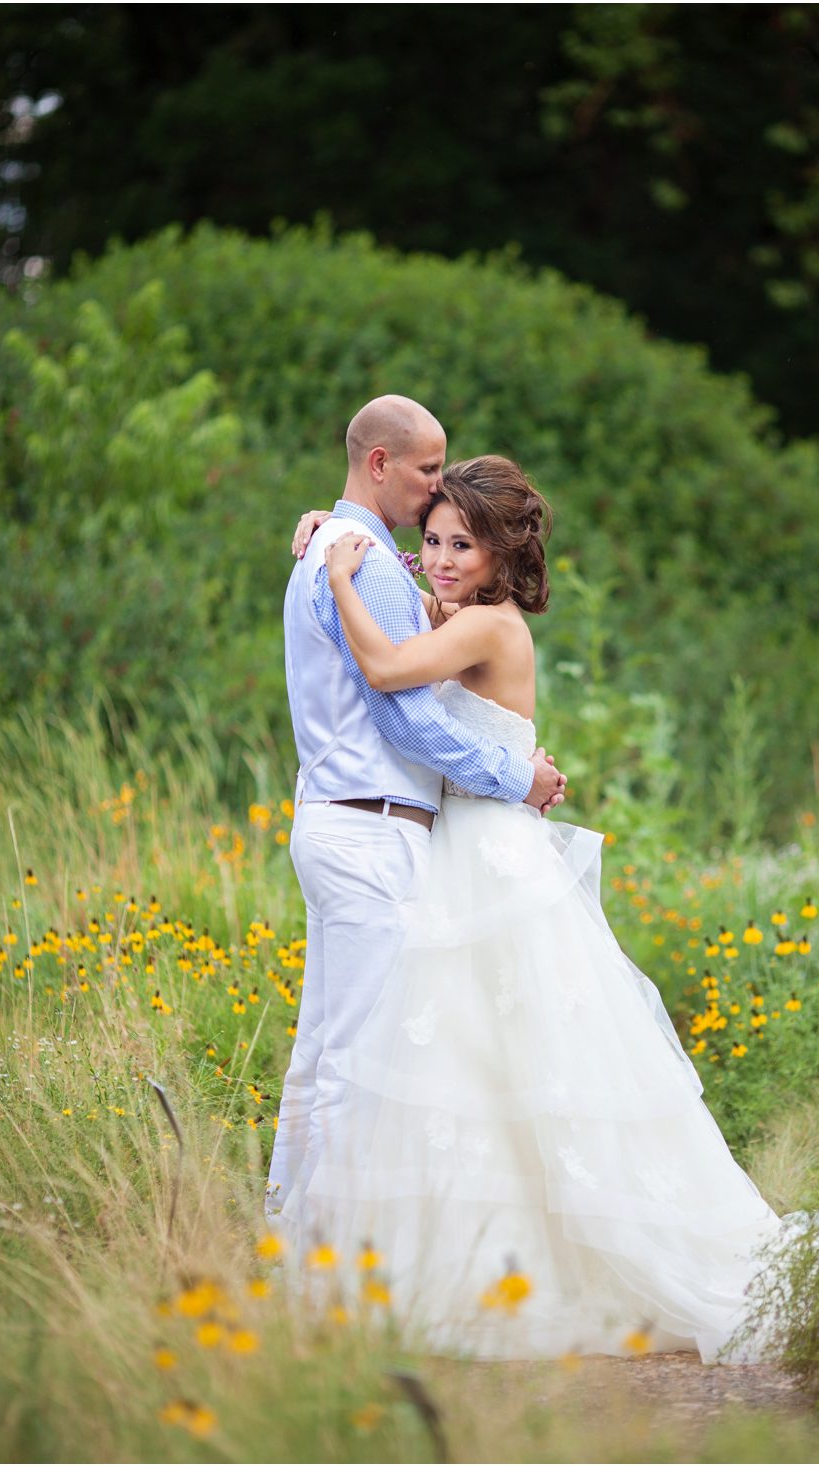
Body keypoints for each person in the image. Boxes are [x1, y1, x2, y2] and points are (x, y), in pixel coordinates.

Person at [277, 455, 783, 1364]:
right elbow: (409, 613)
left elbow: (388, 666)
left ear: (501, 555)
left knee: (525, 1060)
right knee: (473, 1063)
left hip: (489, 858)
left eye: (459, 545)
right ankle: (474, 1260)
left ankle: (558, 1266)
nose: (436, 558)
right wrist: (334, 525)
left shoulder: (489, 629)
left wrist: (341, 573)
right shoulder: (460, 613)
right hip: (463, 849)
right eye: (430, 539)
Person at [267, 398, 566, 1224]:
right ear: (380, 465)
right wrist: (517, 774)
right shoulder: (356, 560)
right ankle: (324, 1259)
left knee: (329, 1052)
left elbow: (412, 640)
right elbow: (404, 709)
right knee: (362, 1060)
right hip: (372, 830)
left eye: (457, 540)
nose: (438, 483)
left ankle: (292, 1239)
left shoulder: (346, 552)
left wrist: (333, 539)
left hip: (341, 821)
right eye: (429, 469)